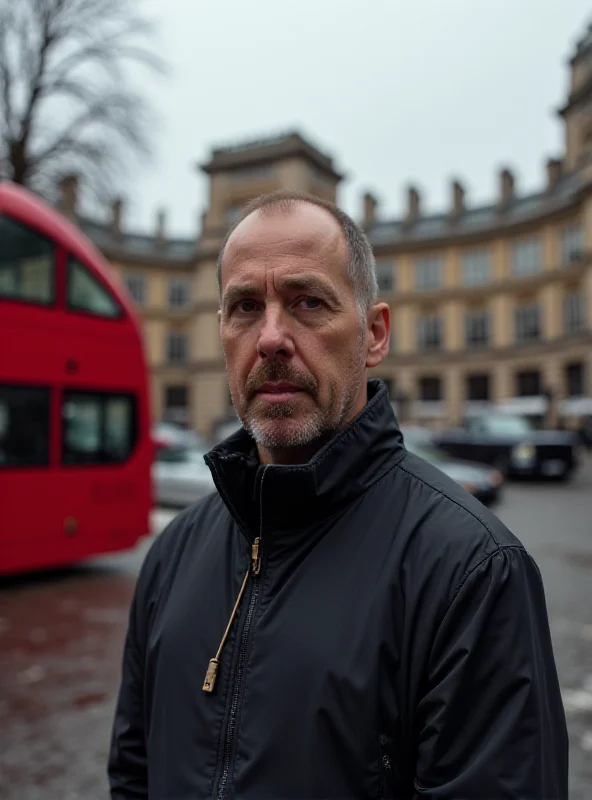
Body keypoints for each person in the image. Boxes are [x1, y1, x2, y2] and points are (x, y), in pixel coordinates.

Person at [108, 192, 568, 799]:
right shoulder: (171, 554)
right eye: (245, 306)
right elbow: (134, 776)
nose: (271, 337)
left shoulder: (473, 572)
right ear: (220, 330)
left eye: (307, 303)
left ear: (374, 335)